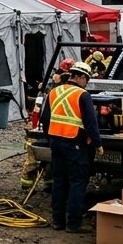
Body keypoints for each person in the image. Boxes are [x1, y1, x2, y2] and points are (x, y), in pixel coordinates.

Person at [39, 61, 101, 232]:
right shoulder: (83, 95)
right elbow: (91, 123)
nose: (86, 83)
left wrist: (49, 138)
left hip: (56, 143)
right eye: (86, 79)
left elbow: (45, 119)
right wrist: (97, 144)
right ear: (80, 77)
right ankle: (73, 224)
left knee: (59, 182)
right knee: (77, 182)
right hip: (74, 144)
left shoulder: (54, 92)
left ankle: (57, 221)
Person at [22, 58, 75, 189]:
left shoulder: (51, 87)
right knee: (35, 154)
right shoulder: (55, 88)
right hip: (55, 129)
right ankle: (30, 182)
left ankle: (45, 182)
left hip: (51, 128)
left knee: (44, 156)